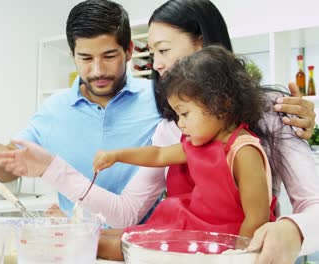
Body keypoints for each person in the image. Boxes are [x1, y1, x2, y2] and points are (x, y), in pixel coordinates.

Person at [0, 0, 318, 263]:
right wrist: (52, 172)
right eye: (154, 53)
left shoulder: (272, 111)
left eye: (164, 50)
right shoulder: (172, 125)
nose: (158, 65)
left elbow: (311, 207)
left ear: (202, 43)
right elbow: (129, 212)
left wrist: (293, 230)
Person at [91, 45, 284, 260]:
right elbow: (158, 155)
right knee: (119, 235)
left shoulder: (243, 151)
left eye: (184, 114)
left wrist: (236, 256)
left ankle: (81, 240)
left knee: (112, 246)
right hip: (191, 228)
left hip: (219, 243)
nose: (180, 124)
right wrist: (116, 155)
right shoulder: (200, 143)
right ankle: (84, 235)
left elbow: (257, 217)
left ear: (222, 104)